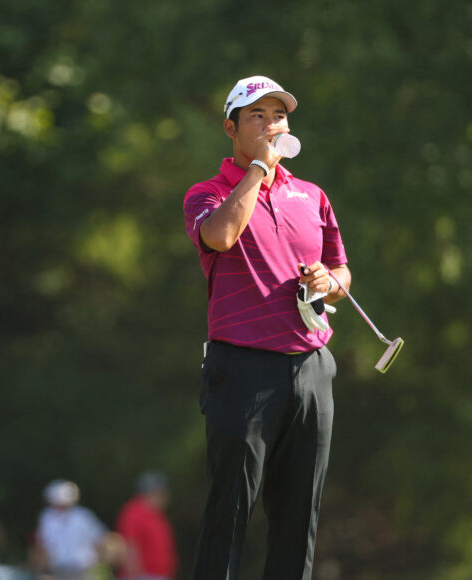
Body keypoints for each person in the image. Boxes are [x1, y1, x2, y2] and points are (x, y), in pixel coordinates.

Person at [182, 75, 350, 579]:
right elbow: (220, 235)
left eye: (279, 116)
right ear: (231, 128)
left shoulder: (311, 195)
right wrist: (258, 169)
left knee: (300, 515)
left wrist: (328, 281)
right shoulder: (207, 193)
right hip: (242, 367)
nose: (272, 125)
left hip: (311, 366)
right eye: (257, 116)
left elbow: (342, 274)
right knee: (230, 510)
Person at [31, 479, 109, 580]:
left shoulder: (84, 516)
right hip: (58, 570)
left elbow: (100, 540)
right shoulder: (47, 517)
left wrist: (101, 566)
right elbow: (42, 544)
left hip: (83, 570)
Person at [114, 471, 177, 580]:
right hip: (143, 576)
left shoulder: (157, 514)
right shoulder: (134, 513)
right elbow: (130, 546)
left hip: (158, 575)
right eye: (163, 493)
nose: (166, 497)